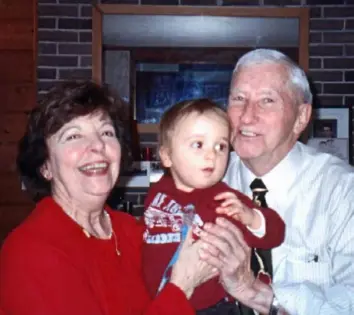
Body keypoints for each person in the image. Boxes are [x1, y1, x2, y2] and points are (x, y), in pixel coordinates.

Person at [0, 81, 219, 315]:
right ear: (45, 166)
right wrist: (181, 287)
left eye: (106, 132)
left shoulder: (131, 231)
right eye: (73, 136)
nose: (97, 145)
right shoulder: (29, 252)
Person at [200, 48, 354, 315]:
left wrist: (255, 292)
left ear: (301, 118)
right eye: (239, 98)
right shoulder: (205, 181)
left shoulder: (341, 191)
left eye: (267, 100)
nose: (247, 116)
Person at [142, 99, 285, 314]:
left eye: (221, 146)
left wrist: (251, 217)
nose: (212, 155)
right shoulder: (157, 192)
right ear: (167, 156)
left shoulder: (223, 198)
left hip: (210, 308)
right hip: (160, 302)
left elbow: (276, 233)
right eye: (198, 144)